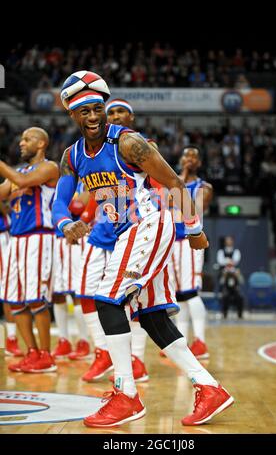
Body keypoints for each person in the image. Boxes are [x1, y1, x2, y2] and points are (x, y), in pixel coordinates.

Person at [52, 71, 234, 428]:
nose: (92, 117)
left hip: (148, 224)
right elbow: (60, 202)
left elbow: (175, 182)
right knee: (151, 316)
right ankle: (210, 388)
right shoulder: (71, 156)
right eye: (84, 111)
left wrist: (195, 229)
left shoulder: (128, 143)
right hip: (126, 233)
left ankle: (127, 395)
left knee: (106, 299)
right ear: (71, 115)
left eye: (97, 109)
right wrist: (65, 223)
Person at [76, 99, 151, 383]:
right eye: (112, 112)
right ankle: (102, 351)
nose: (116, 115)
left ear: (131, 116)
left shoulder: (141, 145)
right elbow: (86, 196)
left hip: (133, 232)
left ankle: (137, 359)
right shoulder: (93, 150)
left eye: (122, 111)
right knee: (84, 292)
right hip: (101, 232)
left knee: (134, 298)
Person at [0, 127, 59, 372]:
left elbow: (22, 182)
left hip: (38, 237)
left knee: (36, 299)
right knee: (14, 300)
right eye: (21, 138)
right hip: (16, 239)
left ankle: (46, 356)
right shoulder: (18, 172)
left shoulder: (49, 168)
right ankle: (31, 353)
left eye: (28, 139)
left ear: (42, 143)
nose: (21, 143)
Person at [171, 146, 213, 359]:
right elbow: (167, 203)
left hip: (191, 242)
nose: (189, 159)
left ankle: (201, 342)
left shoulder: (204, 187)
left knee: (190, 292)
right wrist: (180, 179)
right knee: (179, 295)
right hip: (172, 243)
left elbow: (192, 210)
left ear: (199, 163)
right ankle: (182, 342)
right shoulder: (170, 182)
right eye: (186, 155)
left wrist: (183, 178)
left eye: (194, 156)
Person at [51, 181, 91, 361]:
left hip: (76, 239)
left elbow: (77, 206)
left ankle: (84, 341)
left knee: (77, 291)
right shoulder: (63, 183)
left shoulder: (87, 182)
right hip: (57, 238)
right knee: (57, 293)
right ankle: (63, 340)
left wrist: (61, 207)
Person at [0, 201, 23, 356]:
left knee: (8, 287)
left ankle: (11, 339)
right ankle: (11, 339)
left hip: (7, 235)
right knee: (7, 287)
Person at [216, 236, 244, 318]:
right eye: (227, 241)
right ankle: (224, 313)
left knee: (240, 297)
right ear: (225, 242)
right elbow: (221, 262)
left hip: (234, 278)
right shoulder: (221, 252)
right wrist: (228, 263)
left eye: (230, 241)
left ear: (232, 242)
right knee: (225, 296)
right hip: (225, 278)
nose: (229, 242)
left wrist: (229, 263)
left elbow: (235, 261)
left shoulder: (236, 251)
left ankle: (240, 314)